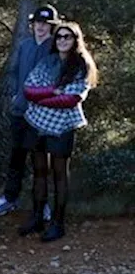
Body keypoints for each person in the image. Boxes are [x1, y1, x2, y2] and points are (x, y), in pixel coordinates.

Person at [19, 21, 98, 243]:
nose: (63, 40)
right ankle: (37, 218)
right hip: (36, 123)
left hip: (63, 126)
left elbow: (71, 99)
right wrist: (53, 91)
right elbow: (28, 89)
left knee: (59, 173)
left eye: (67, 37)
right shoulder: (47, 61)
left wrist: (44, 96)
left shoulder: (81, 66)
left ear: (75, 40)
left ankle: (58, 223)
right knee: (39, 170)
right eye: (60, 37)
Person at [0, 5, 59, 218]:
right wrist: (15, 95)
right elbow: (13, 72)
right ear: (33, 24)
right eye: (38, 22)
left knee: (40, 160)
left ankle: (42, 203)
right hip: (20, 112)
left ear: (51, 26)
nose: (41, 26)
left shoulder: (55, 48)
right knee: (16, 157)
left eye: (46, 23)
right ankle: (9, 199)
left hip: (42, 115)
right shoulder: (24, 45)